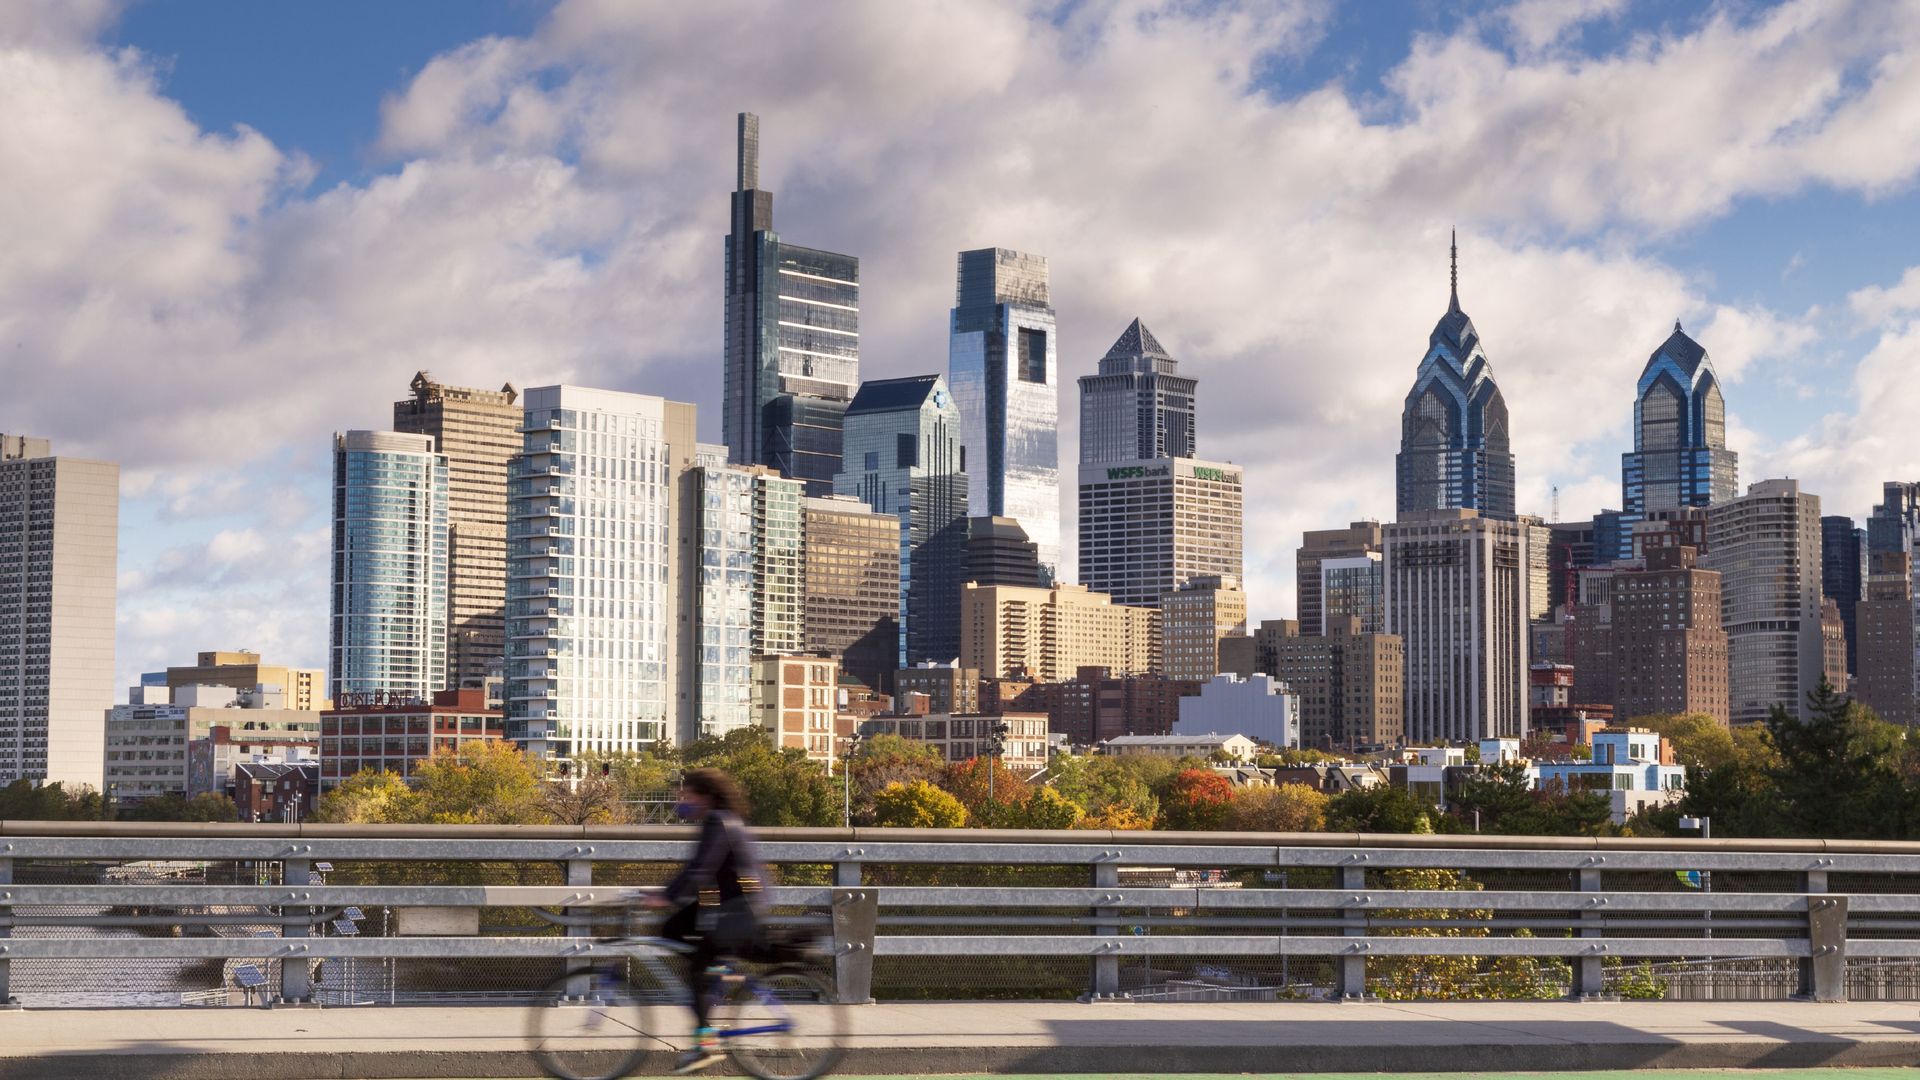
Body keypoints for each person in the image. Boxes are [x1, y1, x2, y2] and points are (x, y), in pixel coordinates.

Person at [644, 768, 767, 1075]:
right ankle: (718, 976)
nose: (683, 801)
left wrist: (666, 897)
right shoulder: (720, 819)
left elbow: (700, 870)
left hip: (737, 910)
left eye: (688, 795)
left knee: (696, 968)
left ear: (706, 796)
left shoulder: (717, 821)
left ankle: (705, 1044)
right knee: (671, 928)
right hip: (731, 905)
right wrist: (666, 893)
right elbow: (695, 871)